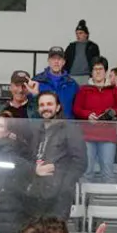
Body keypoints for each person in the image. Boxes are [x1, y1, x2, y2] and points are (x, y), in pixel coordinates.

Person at [22, 92, 86, 220]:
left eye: (49, 104)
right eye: (42, 105)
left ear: (58, 107)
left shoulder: (70, 129)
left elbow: (80, 162)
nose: (45, 108)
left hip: (58, 198)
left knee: (55, 230)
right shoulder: (35, 129)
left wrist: (64, 186)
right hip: (35, 194)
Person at [73, 59, 117, 181]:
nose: (98, 72)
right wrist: (87, 115)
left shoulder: (114, 90)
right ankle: (85, 194)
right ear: (91, 72)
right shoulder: (83, 89)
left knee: (108, 172)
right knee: (87, 172)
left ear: (106, 71)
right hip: (87, 136)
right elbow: (76, 109)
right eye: (95, 69)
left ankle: (107, 194)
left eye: (100, 69)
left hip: (108, 137)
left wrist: (113, 112)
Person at [35, 47, 80, 119]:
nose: (56, 61)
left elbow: (78, 109)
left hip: (66, 125)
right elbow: (31, 108)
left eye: (59, 59)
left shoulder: (72, 84)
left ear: (63, 62)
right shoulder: (37, 81)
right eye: (53, 59)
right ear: (48, 61)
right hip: (43, 124)